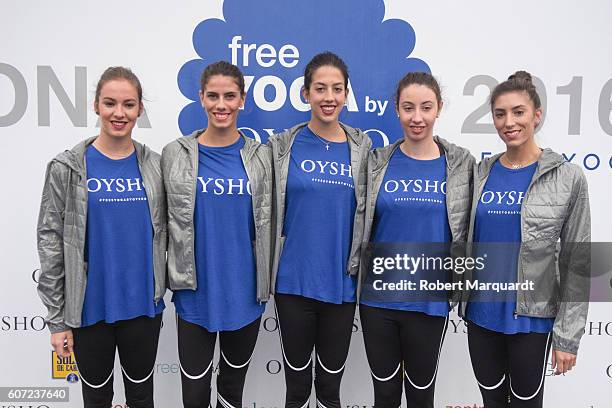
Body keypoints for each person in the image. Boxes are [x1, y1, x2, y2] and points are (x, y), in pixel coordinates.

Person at [37, 66, 166, 408]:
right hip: (89, 309)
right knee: (96, 398)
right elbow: (49, 241)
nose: (119, 113)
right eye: (110, 103)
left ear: (140, 109)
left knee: (141, 397)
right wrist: (57, 321)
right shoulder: (67, 168)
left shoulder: (155, 165)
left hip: (142, 307)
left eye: (128, 104)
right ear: (96, 106)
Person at [461, 71, 590, 407]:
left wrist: (567, 337)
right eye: (500, 114)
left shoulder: (567, 177)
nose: (509, 122)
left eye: (518, 112)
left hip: (531, 320)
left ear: (537, 115)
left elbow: (577, 262)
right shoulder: (481, 172)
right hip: (481, 316)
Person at [358, 72, 475, 408]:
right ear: (397, 109)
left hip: (428, 303)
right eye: (408, 108)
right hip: (378, 301)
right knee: (385, 397)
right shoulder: (378, 162)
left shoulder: (460, 165)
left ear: (438, 109)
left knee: (422, 398)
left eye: (426, 107)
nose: (417, 117)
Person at [162, 60, 272, 408]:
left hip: (244, 293)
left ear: (242, 100)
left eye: (229, 96)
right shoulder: (174, 155)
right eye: (213, 96)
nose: (220, 104)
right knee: (194, 395)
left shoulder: (262, 157)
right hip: (194, 294)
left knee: (231, 393)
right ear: (201, 98)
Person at [268, 51, 371, 408]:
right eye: (320, 88)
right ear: (305, 93)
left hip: (341, 285)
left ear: (346, 94)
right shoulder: (282, 146)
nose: (329, 97)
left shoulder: (363, 148)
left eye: (337, 89)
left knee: (329, 392)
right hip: (293, 284)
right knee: (297, 392)